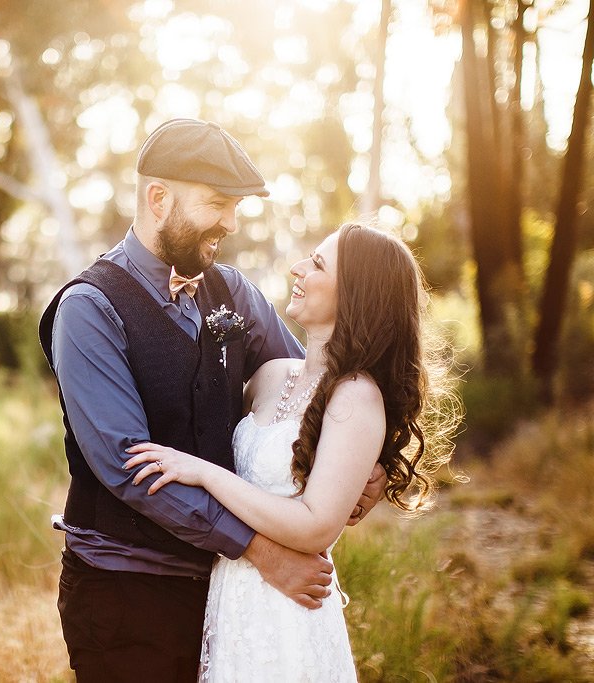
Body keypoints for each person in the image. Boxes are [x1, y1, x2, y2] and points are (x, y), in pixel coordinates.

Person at [38, 118, 386, 682]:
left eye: (235, 206)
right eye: (218, 204)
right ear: (158, 199)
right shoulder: (88, 309)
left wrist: (373, 462)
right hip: (127, 593)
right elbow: (129, 468)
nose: (231, 222)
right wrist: (259, 549)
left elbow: (315, 393)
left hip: (225, 595)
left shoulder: (232, 292)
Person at [125, 222, 459, 681]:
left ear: (357, 296)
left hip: (289, 610)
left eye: (318, 264)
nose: (298, 268)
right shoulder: (271, 375)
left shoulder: (357, 396)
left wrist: (204, 475)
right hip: (231, 595)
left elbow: (315, 526)